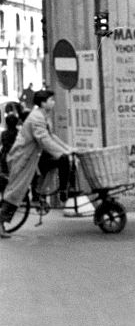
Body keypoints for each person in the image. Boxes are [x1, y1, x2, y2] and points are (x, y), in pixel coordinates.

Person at [0, 89, 74, 238]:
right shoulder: (36, 118)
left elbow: (51, 137)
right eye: (51, 100)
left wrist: (67, 149)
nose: (53, 102)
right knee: (15, 192)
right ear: (43, 103)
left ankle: (48, 192)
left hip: (31, 159)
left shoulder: (44, 116)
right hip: (22, 159)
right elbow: (44, 140)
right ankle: (1, 222)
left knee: (57, 163)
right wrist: (61, 153)